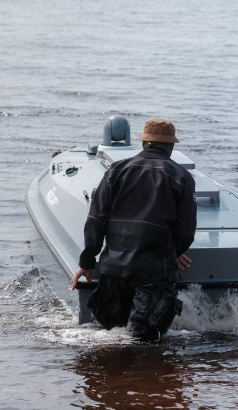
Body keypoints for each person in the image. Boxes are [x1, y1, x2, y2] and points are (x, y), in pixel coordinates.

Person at [72, 118, 197, 341]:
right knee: (142, 339)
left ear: (144, 144)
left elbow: (95, 220)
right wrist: (174, 251)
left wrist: (87, 262)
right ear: (171, 146)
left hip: (114, 269)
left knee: (110, 335)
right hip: (154, 270)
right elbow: (186, 230)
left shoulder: (116, 170)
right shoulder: (182, 177)